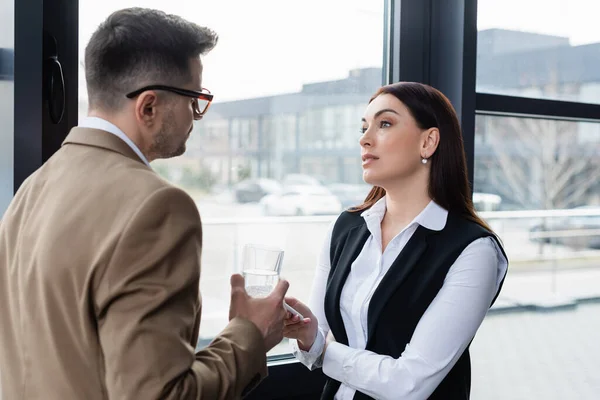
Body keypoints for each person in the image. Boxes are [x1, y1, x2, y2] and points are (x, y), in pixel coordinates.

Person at [0, 8, 289, 400]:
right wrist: (249, 334)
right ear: (148, 107)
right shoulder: (157, 206)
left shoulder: (32, 189)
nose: (196, 115)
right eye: (195, 99)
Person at [283, 82, 508, 400]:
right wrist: (305, 334)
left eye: (384, 124)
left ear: (428, 141)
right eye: (364, 127)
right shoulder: (346, 228)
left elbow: (409, 385)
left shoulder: (473, 250)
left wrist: (324, 351)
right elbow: (314, 340)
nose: (364, 139)